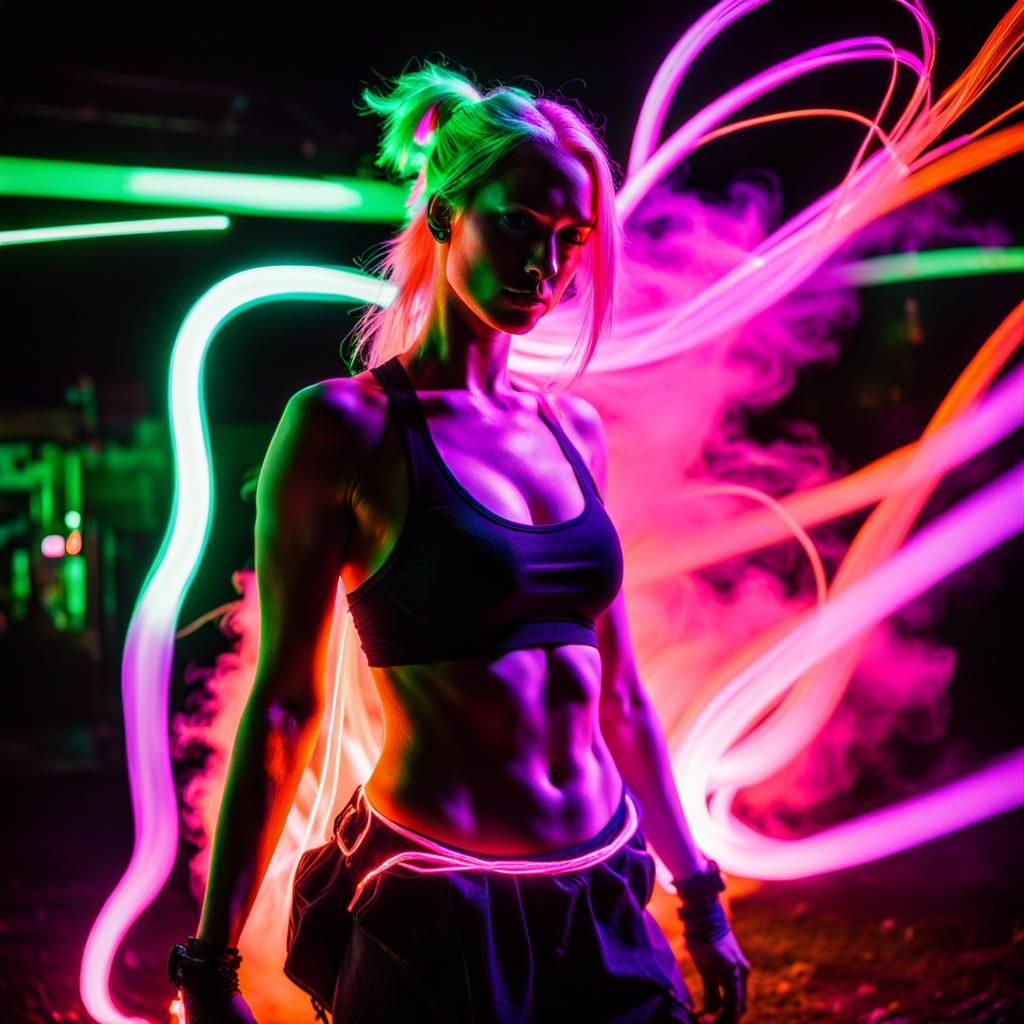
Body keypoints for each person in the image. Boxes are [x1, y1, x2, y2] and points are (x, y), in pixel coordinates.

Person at [168, 57, 751, 1023]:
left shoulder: (573, 430)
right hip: (439, 901)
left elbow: (620, 692)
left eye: (570, 237)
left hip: (601, 887)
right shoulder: (344, 427)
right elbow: (282, 710)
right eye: (518, 223)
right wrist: (209, 966)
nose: (546, 263)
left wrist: (698, 897)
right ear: (444, 215)